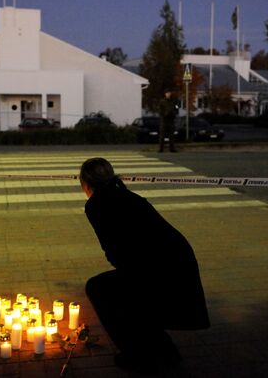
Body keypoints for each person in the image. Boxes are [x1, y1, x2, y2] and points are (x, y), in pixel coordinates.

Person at [81, 157, 210, 374]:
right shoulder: (128, 196)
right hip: (177, 259)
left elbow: (113, 247)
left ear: (85, 182)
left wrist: (129, 272)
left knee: (99, 289)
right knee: (137, 299)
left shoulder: (96, 204)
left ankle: (136, 355)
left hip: (158, 267)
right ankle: (165, 351)